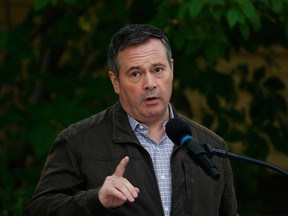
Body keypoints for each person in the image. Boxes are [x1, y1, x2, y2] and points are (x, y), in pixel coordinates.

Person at [25, 24, 238, 216]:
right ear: (115, 81)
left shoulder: (211, 146)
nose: (150, 83)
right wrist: (95, 200)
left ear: (172, 69)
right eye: (135, 74)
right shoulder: (77, 142)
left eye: (157, 70)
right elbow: (38, 210)